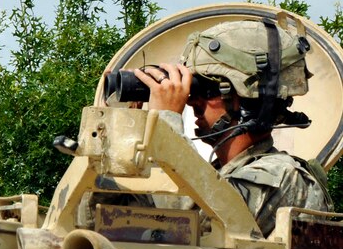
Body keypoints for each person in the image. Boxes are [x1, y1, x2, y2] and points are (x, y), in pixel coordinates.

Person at [130, 17, 332, 236]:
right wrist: (122, 127)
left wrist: (164, 122)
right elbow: (103, 221)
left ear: (249, 98)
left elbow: (188, 225)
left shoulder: (284, 177)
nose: (191, 101)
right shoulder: (212, 177)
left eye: (206, 89)